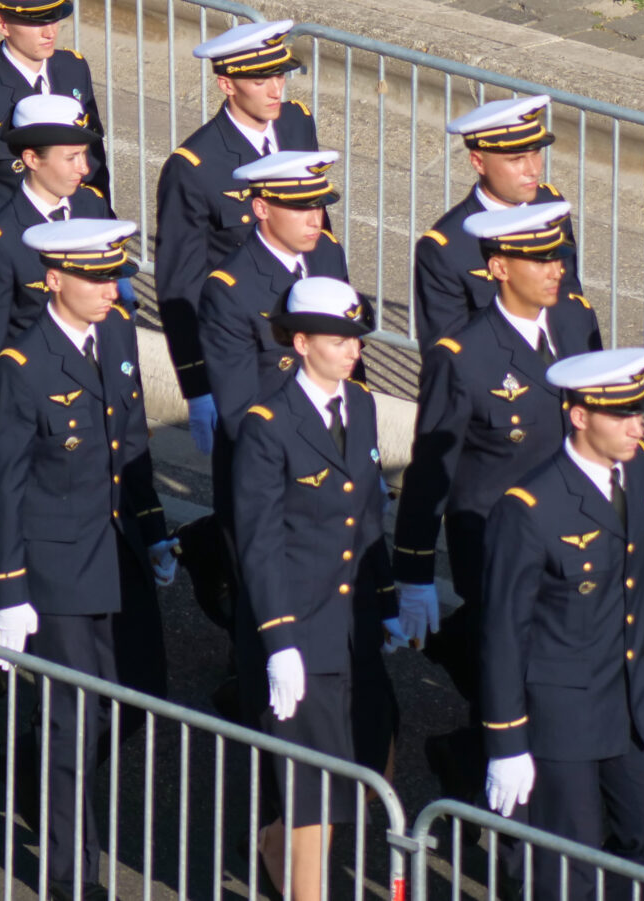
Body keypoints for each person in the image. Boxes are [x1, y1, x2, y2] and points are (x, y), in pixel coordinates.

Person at [0, 218, 176, 901]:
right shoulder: (22, 368)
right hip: (55, 569)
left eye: (112, 273)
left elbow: (130, 441)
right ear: (53, 279)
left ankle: (31, 766)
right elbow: (0, 488)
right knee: (75, 716)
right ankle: (70, 872)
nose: (109, 287)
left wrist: (152, 531)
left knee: (134, 695)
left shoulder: (116, 333)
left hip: (114, 554)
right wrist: (8, 592)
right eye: (94, 276)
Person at [391, 200, 601, 806]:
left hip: (571, 529)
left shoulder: (575, 322)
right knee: (518, 676)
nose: (557, 268)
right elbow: (433, 466)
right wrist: (413, 572)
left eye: (558, 253)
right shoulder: (464, 355)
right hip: (494, 538)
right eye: (539, 258)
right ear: (500, 267)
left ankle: (468, 757)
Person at [479, 347, 644, 900]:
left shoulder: (640, 467)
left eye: (638, 411)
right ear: (578, 415)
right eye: (620, 414)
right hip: (563, 712)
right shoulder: (528, 508)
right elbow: (503, 634)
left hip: (633, 698)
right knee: (566, 867)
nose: (634, 424)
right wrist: (506, 742)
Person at [232, 277, 395, 900]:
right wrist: (279, 640)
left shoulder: (364, 405)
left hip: (351, 628)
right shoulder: (269, 424)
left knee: (366, 759)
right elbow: (261, 542)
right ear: (300, 343)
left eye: (355, 338)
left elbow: (368, 514)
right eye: (337, 339)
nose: (351, 350)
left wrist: (387, 603)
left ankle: (276, 846)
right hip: (298, 631)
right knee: (313, 795)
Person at [154, 18, 320, 457]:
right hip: (251, 356)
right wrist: (199, 387)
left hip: (312, 341)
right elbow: (181, 286)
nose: (275, 90)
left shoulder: (298, 124)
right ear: (227, 84)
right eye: (260, 80)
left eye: (280, 76)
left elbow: (320, 237)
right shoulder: (194, 167)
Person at [198, 150, 347, 531]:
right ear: (262, 208)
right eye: (300, 208)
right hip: (272, 473)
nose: (316, 219)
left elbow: (348, 360)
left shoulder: (327, 253)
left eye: (319, 205)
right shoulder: (231, 289)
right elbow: (241, 410)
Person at [0, 0, 106, 308]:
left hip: (82, 260)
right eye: (36, 22)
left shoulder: (72, 69)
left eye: (53, 19)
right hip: (19, 272)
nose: (49, 31)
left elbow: (94, 174)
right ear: (1, 25)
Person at [0, 93, 109, 445]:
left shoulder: (92, 206)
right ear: (31, 159)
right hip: (42, 416)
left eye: (84, 155)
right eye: (71, 157)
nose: (84, 168)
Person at [412, 94, 583, 347]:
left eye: (535, 154)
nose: (533, 169)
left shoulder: (550, 206)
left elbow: (571, 302)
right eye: (516, 160)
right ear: (478, 162)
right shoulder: (446, 248)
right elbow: (448, 356)